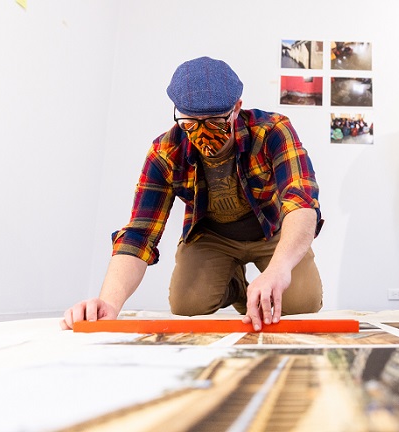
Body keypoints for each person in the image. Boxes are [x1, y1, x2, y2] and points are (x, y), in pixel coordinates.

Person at [61, 56, 324, 331]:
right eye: (189, 120)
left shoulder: (271, 130)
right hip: (212, 236)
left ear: (236, 109)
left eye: (214, 121)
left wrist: (278, 270)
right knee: (187, 305)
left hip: (271, 231)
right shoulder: (165, 153)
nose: (201, 131)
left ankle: (267, 277)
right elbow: (141, 233)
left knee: (301, 302)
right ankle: (235, 285)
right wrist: (109, 303)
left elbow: (301, 200)